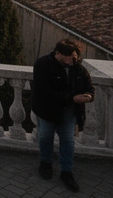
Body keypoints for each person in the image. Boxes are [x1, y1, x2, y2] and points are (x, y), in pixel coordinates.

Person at [32, 39, 94, 192]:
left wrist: (88, 96)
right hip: (47, 110)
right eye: (71, 57)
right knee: (45, 137)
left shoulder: (78, 69)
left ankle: (66, 172)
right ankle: (46, 163)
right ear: (58, 53)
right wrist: (72, 98)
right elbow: (44, 91)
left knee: (68, 141)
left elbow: (89, 88)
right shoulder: (42, 64)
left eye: (75, 57)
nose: (74, 60)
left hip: (69, 112)